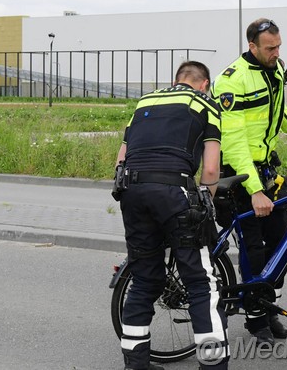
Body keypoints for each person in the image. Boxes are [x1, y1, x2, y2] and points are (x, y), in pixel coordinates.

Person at [114, 61, 228, 370]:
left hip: (132, 192)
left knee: (144, 280)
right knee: (201, 285)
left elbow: (121, 157)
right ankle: (213, 365)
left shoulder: (145, 101)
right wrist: (206, 203)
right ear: (203, 84)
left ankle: (136, 365)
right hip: (173, 191)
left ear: (176, 80)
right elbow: (211, 168)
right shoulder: (205, 102)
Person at [213, 18, 287, 347]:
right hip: (239, 173)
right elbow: (235, 142)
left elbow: (276, 108)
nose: (276, 52)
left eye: (279, 46)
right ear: (252, 46)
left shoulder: (275, 70)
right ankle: (254, 318)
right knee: (253, 247)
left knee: (279, 242)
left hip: (267, 169)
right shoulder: (232, 81)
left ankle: (268, 308)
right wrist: (253, 191)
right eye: (270, 48)